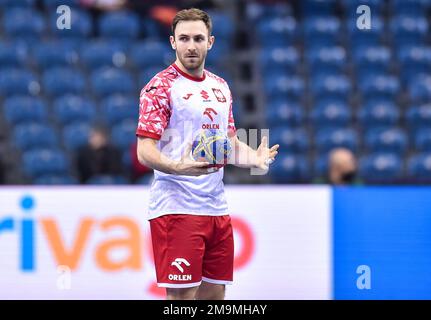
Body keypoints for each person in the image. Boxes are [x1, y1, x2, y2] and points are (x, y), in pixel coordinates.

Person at [136, 8, 279, 300]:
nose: (191, 45)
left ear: (210, 42)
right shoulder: (160, 88)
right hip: (176, 208)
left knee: (215, 296)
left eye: (198, 38)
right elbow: (144, 151)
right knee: (182, 299)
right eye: (184, 38)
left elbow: (228, 143)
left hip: (216, 208)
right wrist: (177, 167)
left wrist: (255, 158)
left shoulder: (221, 87)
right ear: (172, 42)